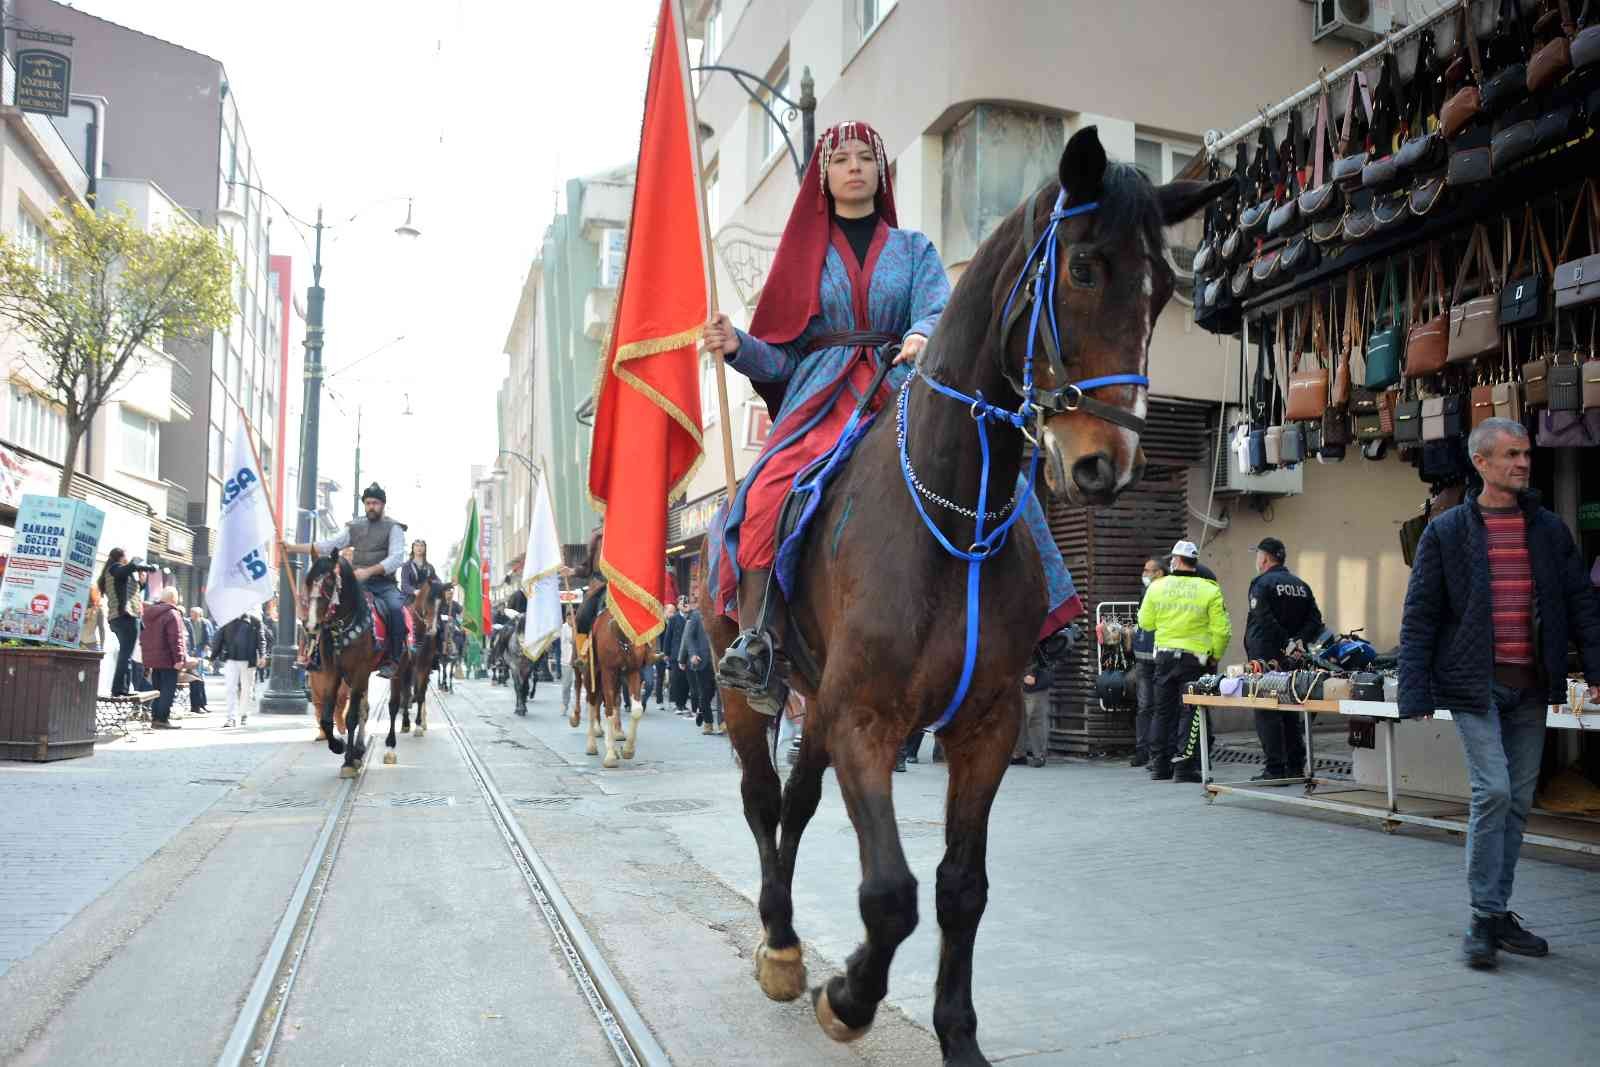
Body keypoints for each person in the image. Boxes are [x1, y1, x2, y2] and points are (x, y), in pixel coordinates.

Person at [702, 120, 945, 718]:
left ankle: (1042, 622)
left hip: (899, 385)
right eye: (842, 159)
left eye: (867, 157)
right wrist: (738, 344)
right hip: (822, 400)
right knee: (763, 493)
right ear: (825, 175)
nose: (855, 167)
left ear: (881, 173)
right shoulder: (802, 257)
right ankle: (758, 638)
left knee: (987, 467)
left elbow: (939, 307)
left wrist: (920, 334)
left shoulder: (915, 249)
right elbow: (781, 354)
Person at [1400, 418, 1600, 970]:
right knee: (1493, 793)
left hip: (1531, 688)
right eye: (1511, 455)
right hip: (1475, 686)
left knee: (1515, 804)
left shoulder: (1549, 530)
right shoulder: (1445, 532)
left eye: (1527, 455)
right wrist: (1414, 692)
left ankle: (1496, 912)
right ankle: (1482, 917)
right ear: (1481, 463)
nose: (1522, 463)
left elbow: (1582, 601)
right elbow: (1420, 616)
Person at [282, 483, 407, 678]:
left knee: (396, 609)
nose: (371, 507)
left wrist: (369, 571)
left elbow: (396, 557)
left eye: (375, 503)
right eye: (367, 503)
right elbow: (329, 545)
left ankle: (394, 659)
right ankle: (314, 654)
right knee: (325, 604)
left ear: (383, 504)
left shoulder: (394, 528)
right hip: (357, 584)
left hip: (384, 585)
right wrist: (292, 548)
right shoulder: (355, 526)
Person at [1137, 540, 1231, 783]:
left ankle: (1159, 766)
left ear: (1175, 561)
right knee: (1190, 712)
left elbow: (1145, 623)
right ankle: (1184, 767)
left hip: (1165, 657)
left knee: (1162, 712)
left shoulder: (1156, 587)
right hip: (1195, 661)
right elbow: (1222, 631)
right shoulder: (1209, 589)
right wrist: (1215, 655)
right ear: (1194, 562)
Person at [1245, 536, 1325, 783]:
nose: (1256, 560)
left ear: (1265, 558)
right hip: (1291, 659)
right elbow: (1315, 620)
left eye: (1258, 555)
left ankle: (1275, 768)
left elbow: (1263, 618)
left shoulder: (1261, 583)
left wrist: (1286, 641)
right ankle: (1295, 764)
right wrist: (1298, 640)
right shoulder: (1301, 585)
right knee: (1290, 708)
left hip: (1266, 657)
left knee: (1266, 709)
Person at [99, 548, 152, 695]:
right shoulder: (115, 568)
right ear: (121, 558)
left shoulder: (116, 572)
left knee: (125, 653)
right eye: (126, 557)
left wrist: (142, 582)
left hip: (119, 618)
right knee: (126, 654)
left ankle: (123, 688)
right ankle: (118, 689)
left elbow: (130, 593)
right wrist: (136, 563)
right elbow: (125, 571)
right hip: (126, 617)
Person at [140, 587, 193, 729]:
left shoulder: (148, 613)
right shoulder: (172, 613)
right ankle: (162, 719)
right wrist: (179, 659)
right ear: (173, 599)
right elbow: (176, 638)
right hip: (168, 659)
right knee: (168, 690)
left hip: (153, 659)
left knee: (157, 690)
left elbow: (144, 636)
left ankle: (155, 718)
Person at [1130, 558, 1165, 768]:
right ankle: (1142, 750)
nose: (1144, 574)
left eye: (1148, 570)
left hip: (1160, 656)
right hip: (1143, 656)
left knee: (1160, 707)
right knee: (1144, 706)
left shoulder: (1166, 592)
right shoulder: (1145, 592)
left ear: (1159, 573)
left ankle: (1156, 751)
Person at [211, 609, 267, 728]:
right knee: (230, 688)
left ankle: (243, 714)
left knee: (247, 689)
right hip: (231, 658)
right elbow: (219, 639)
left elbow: (261, 640)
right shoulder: (227, 620)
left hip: (248, 660)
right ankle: (231, 717)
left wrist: (262, 655)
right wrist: (213, 656)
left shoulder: (255, 621)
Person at [1012, 640, 1059, 769]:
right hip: (1018, 679)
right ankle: (1018, 754)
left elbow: (1040, 654)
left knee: (1035, 718)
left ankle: (1039, 755)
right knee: (1019, 718)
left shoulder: (1039, 632)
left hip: (1035, 679)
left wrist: (1030, 673)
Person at [677, 602, 718, 734]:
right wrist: (693, 654)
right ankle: (708, 722)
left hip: (719, 659)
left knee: (718, 693)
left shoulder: (721, 613)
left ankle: (721, 722)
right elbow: (688, 637)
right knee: (705, 693)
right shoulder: (696, 616)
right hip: (702, 659)